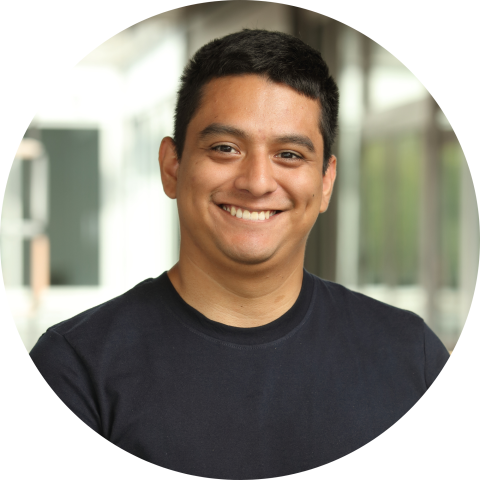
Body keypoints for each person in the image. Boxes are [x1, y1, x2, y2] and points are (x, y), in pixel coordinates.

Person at [30, 29, 449, 479]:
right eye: (225, 148)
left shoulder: (412, 358)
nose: (256, 182)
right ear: (173, 166)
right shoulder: (74, 370)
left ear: (326, 182)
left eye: (289, 154)